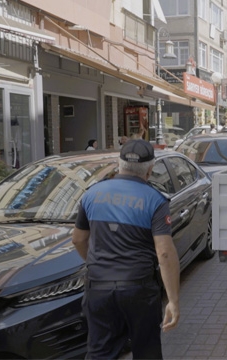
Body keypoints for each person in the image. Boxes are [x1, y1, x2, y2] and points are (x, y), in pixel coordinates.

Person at [72, 139, 180, 359]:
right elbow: (165, 253)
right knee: (146, 351)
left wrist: (95, 264)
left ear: (118, 164)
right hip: (138, 289)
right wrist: (173, 300)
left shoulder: (91, 194)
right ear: (150, 170)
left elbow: (78, 240)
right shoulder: (155, 201)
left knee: (100, 352)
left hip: (98, 287)